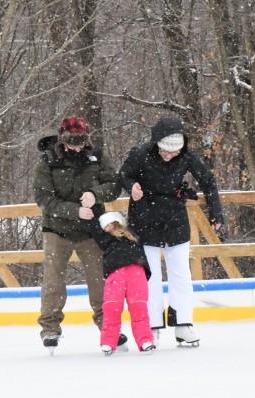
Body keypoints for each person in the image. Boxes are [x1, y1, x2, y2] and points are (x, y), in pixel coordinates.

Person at [118, 116, 224, 347]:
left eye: (174, 152)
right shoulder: (140, 153)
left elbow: (208, 180)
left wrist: (216, 212)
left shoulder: (187, 155)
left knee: (181, 274)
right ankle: (152, 326)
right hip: (145, 218)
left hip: (175, 218)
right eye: (165, 151)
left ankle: (183, 324)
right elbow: (123, 175)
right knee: (150, 277)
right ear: (156, 143)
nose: (169, 155)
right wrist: (132, 187)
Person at [33, 116, 125, 352]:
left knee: (99, 279)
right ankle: (50, 328)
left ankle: (108, 323)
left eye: (81, 141)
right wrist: (74, 210)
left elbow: (114, 185)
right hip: (57, 228)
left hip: (91, 230)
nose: (76, 146)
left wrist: (95, 194)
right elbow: (43, 198)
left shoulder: (98, 157)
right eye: (71, 142)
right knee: (53, 279)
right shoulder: (48, 160)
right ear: (62, 139)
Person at [89, 211, 155, 355]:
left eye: (112, 224)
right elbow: (94, 229)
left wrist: (138, 198)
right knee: (111, 308)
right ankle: (108, 342)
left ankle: (145, 341)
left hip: (137, 273)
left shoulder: (134, 235)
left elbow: (139, 216)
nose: (109, 229)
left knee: (139, 308)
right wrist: (91, 215)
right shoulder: (106, 240)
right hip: (115, 275)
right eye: (105, 227)